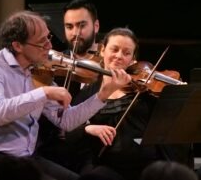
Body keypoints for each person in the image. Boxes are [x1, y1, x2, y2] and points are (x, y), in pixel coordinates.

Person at [0, 10, 131, 180]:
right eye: (41, 43)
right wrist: (44, 92)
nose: (50, 47)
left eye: (48, 38)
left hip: (25, 159)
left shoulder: (38, 72)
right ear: (18, 46)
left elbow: (67, 121)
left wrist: (103, 94)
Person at [68, 28, 194, 180]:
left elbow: (172, 122)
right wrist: (89, 128)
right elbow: (68, 127)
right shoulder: (90, 91)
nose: (119, 56)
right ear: (102, 50)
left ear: (133, 59)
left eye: (126, 53)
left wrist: (177, 93)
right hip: (107, 164)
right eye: (114, 49)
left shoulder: (145, 89)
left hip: (148, 164)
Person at [37, 0, 102, 170]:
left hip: (93, 153)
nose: (75, 33)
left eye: (81, 25)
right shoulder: (53, 64)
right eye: (69, 26)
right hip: (50, 149)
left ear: (96, 27)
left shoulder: (108, 68)